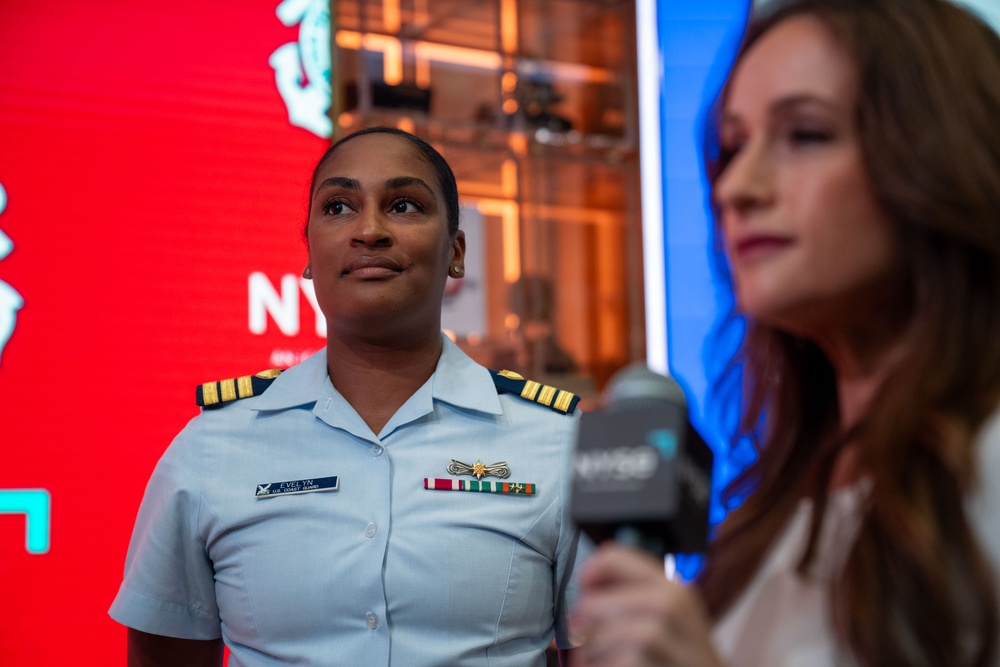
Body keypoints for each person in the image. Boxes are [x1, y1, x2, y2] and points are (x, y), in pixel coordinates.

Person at [568, 1, 1000, 665]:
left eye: (804, 134)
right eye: (734, 147)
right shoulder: (778, 500)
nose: (737, 188)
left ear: (940, 155)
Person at [110, 126, 588, 666]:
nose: (369, 230)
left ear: (455, 252)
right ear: (310, 254)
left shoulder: (556, 444)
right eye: (338, 207)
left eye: (404, 205)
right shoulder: (212, 447)